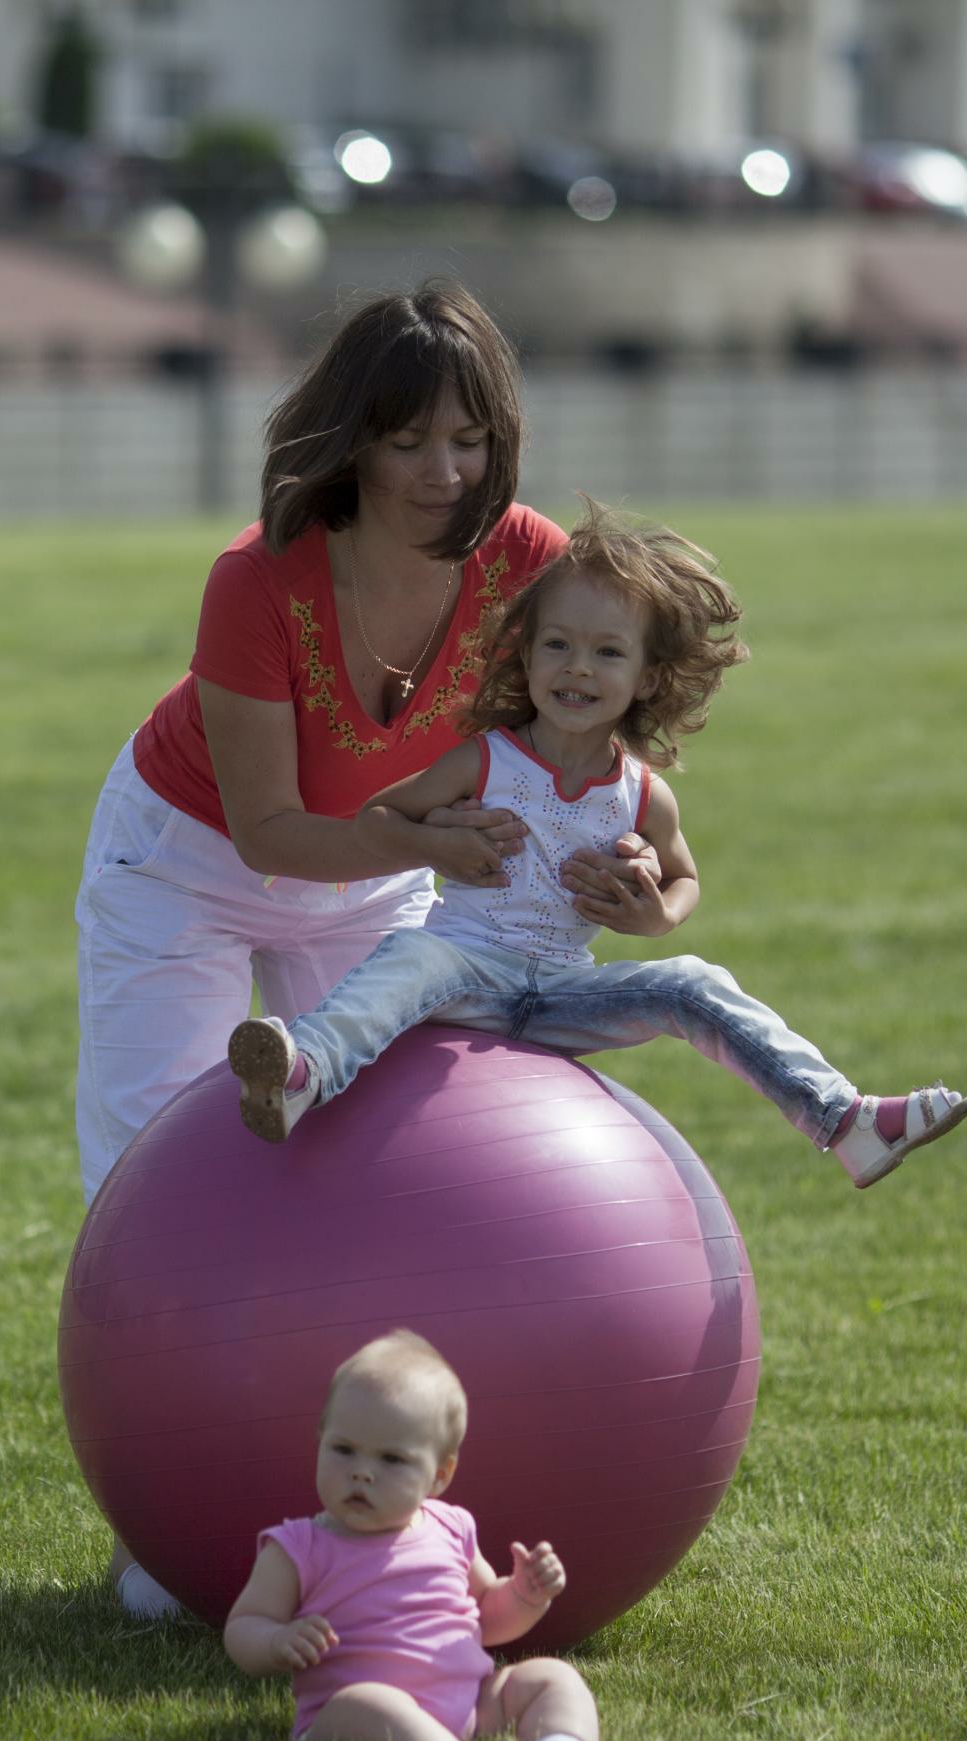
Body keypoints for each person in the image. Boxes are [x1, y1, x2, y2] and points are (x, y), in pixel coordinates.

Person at [74, 282, 656, 1622]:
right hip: (190, 868)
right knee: (156, 1175)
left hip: (389, 869)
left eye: (469, 439)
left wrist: (625, 857)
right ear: (349, 440)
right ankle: (157, 1526)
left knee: (384, 1176)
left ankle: (383, 1520)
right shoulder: (258, 578)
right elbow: (276, 831)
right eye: (406, 442)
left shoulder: (530, 561)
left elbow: (591, 733)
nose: (441, 474)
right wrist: (440, 851)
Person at [227, 502, 967, 1185]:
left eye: (608, 654)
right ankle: (302, 1076)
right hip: (461, 969)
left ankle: (845, 1121)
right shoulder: (485, 760)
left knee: (693, 982)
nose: (578, 668)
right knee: (407, 957)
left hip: (563, 991)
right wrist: (436, 845)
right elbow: (376, 820)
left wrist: (654, 917)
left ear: (648, 676)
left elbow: (685, 880)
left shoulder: (643, 793)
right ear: (527, 659)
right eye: (557, 645)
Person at [223, 1333, 599, 1741]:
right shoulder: (299, 1546)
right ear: (320, 1441)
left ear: (439, 1475)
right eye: (343, 1450)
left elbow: (488, 1620)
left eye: (392, 1459)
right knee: (365, 1703)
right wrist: (274, 1642)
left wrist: (525, 1595)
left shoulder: (451, 1528)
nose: (362, 1472)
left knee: (553, 1677)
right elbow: (244, 1625)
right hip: (352, 1720)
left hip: (470, 1707)